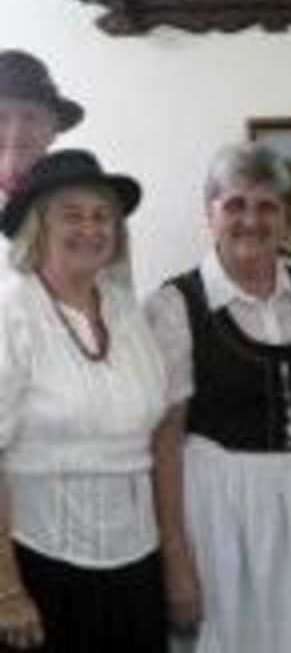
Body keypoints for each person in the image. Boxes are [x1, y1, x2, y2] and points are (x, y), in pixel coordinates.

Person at [146, 142, 291, 653]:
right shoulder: (174, 305)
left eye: (267, 205)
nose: (251, 220)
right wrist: (176, 559)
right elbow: (165, 443)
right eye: (235, 205)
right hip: (216, 503)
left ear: (288, 215)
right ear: (210, 213)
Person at [0, 149, 177, 652]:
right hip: (41, 564)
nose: (90, 228)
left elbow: (158, 428)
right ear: (40, 226)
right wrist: (6, 590)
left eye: (102, 217)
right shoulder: (11, 315)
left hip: (137, 564)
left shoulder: (128, 312)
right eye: (72, 215)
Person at [0, 49, 83, 278]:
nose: (15, 133)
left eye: (30, 116)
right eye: (1, 117)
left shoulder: (90, 207)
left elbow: (115, 299)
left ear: (53, 130)